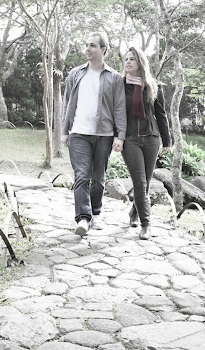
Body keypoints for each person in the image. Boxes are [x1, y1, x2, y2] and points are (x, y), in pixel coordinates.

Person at [61, 32, 127, 236]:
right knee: (82, 175)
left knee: (98, 178)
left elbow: (119, 108)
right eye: (87, 45)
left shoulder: (114, 78)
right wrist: (64, 131)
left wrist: (120, 136)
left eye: (92, 45)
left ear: (103, 50)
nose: (88, 49)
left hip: (104, 134)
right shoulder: (75, 74)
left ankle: (95, 212)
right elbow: (67, 104)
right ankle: (83, 218)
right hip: (78, 133)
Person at [121, 47, 171, 240]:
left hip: (151, 138)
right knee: (140, 182)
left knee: (146, 183)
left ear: (140, 62)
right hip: (130, 139)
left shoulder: (153, 85)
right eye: (126, 59)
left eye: (132, 59)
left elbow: (160, 114)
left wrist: (166, 140)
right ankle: (146, 224)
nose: (128, 62)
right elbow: (116, 112)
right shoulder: (120, 85)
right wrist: (116, 137)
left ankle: (134, 212)